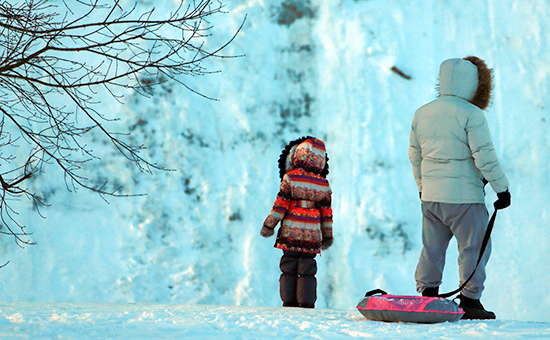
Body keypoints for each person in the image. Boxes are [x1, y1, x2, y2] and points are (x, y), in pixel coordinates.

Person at [409, 56, 511, 320]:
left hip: (431, 198)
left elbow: (415, 154)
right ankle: (470, 301)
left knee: (431, 248)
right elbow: (484, 155)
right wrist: (502, 189)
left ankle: (428, 296)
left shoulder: (422, 112)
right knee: (473, 248)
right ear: (474, 84)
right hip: (465, 198)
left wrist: (422, 186)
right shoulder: (472, 114)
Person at [260, 136, 333, 308]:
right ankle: (306, 304)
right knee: (307, 269)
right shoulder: (324, 185)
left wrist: (269, 225)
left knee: (289, 266)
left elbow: (280, 206)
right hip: (312, 234)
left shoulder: (290, 178)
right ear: (320, 160)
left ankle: (289, 302)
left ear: (297, 156)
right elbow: (327, 214)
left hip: (291, 231)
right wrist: (327, 236)